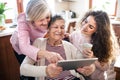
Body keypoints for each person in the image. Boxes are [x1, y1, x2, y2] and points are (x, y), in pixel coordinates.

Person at [20, 15, 96, 80]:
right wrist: (46, 71)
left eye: (62, 27)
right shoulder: (39, 43)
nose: (59, 30)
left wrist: (91, 67)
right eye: (55, 27)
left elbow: (84, 61)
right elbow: (23, 69)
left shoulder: (68, 45)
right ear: (48, 29)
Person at [69, 10, 120, 80]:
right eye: (86, 21)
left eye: (91, 27)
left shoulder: (103, 42)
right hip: (78, 76)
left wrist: (92, 57)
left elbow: (105, 67)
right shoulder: (74, 35)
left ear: (98, 30)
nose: (84, 27)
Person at [10, 0, 63, 65]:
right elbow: (24, 47)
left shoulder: (49, 14)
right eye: (41, 19)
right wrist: (47, 54)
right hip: (20, 45)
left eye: (47, 17)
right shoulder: (23, 22)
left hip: (34, 42)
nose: (46, 22)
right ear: (32, 19)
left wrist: (60, 33)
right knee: (27, 68)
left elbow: (53, 27)